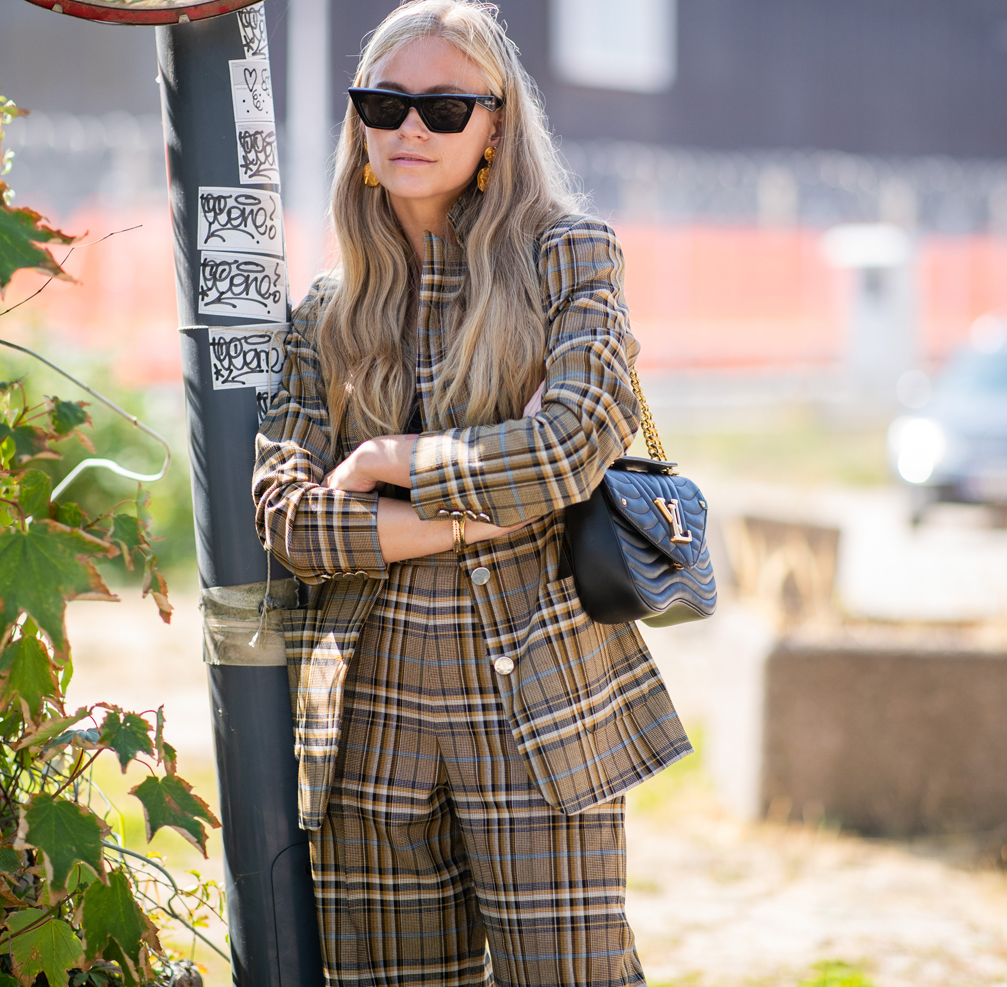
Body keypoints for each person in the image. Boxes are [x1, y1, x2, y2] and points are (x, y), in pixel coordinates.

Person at [252, 2, 690, 983]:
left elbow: (573, 444)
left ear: (495, 126)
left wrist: (389, 463)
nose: (411, 128)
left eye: (446, 108)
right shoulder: (327, 309)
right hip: (369, 729)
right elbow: (287, 517)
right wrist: (480, 509)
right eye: (385, 104)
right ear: (359, 127)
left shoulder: (569, 259)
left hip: (539, 714)